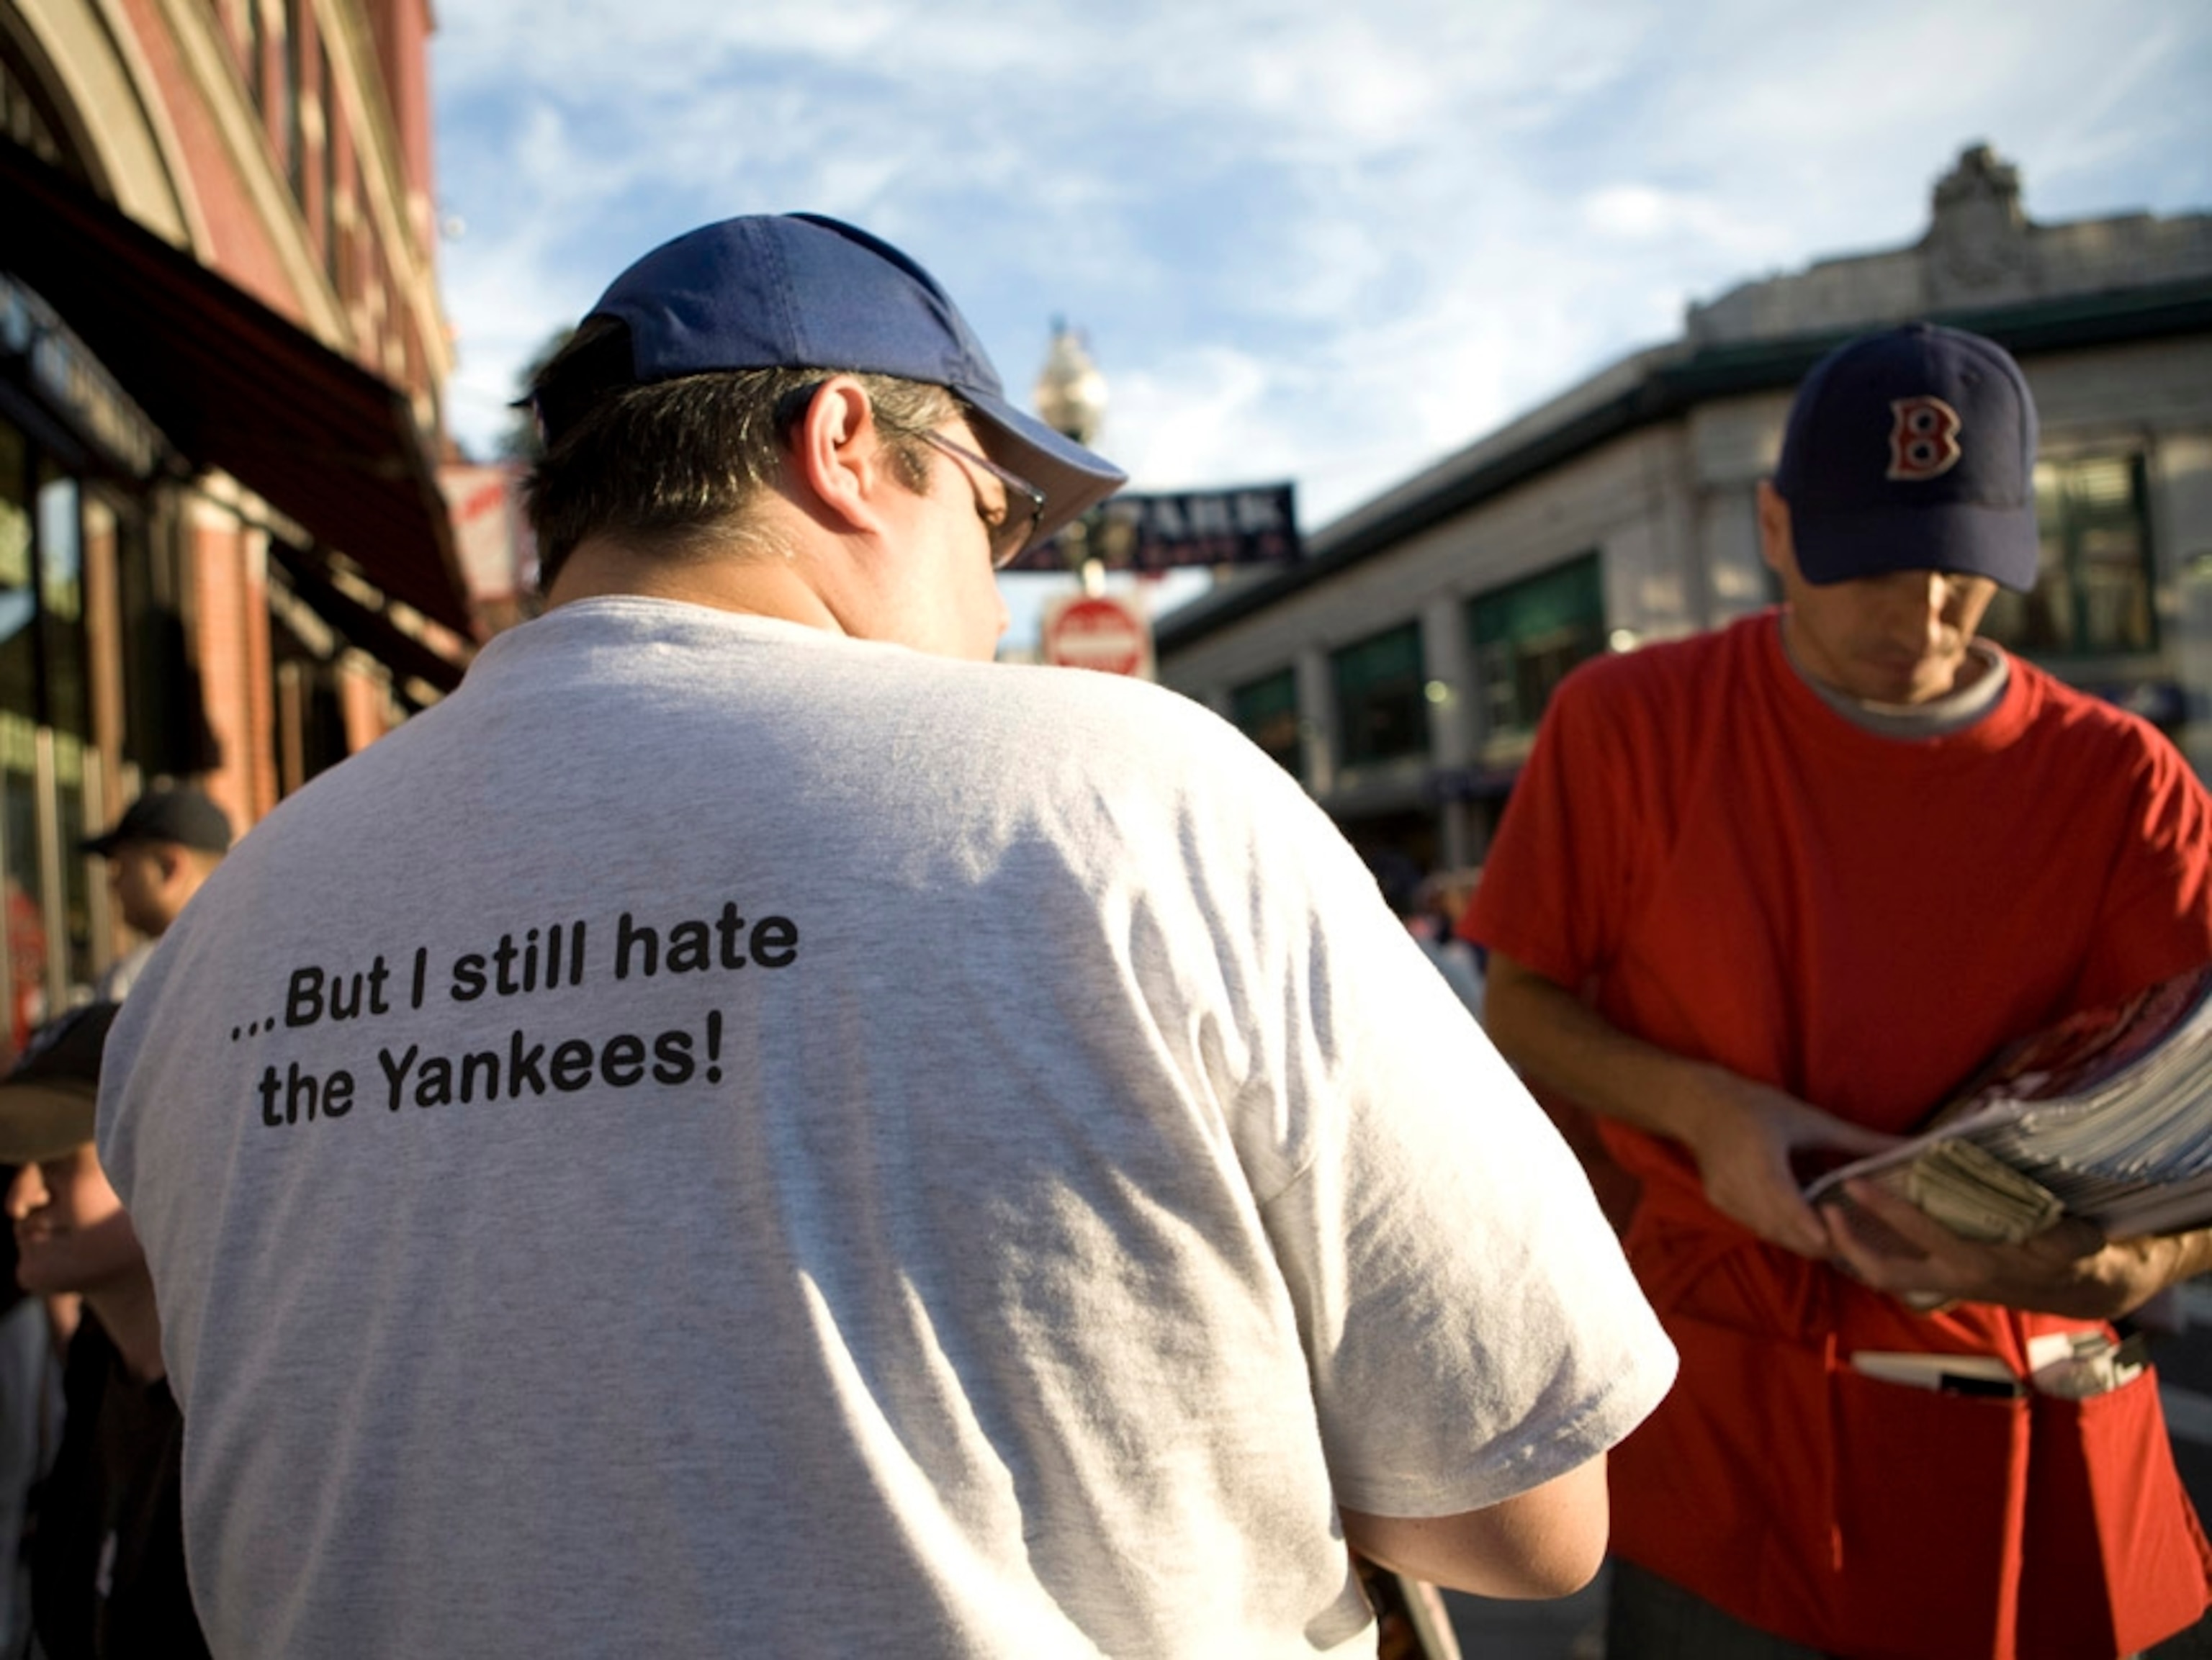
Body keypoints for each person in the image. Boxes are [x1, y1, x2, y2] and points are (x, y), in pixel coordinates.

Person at [94, 213, 1674, 1656]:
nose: (1001, 603)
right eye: (995, 521)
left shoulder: (223, 937)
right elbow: (1529, 1509)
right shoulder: (1129, 793)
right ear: (845, 444)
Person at [1464, 322, 2212, 1659]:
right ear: (1771, 524)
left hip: (2022, 1415)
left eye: (1959, 570)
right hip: (1722, 1430)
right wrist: (1704, 1109)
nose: (1914, 616)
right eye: (1866, 563)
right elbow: (1518, 1004)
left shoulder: (2124, 780)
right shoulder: (1625, 723)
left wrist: (2124, 1262)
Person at [0, 1003, 207, 1659]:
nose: (20, 1199)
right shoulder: (99, 1369)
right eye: (18, 1165)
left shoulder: (225, 1403)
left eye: (60, 1163)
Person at [81, 787, 233, 1003]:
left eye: (123, 867)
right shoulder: (259, 958)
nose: (113, 883)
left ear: (168, 868)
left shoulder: (140, 979)